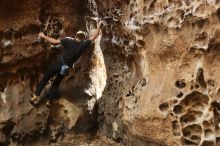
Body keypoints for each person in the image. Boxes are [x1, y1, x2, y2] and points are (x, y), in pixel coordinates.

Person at [30, 22, 102, 106]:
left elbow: (54, 42)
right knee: (56, 83)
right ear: (83, 38)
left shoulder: (68, 40)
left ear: (76, 36)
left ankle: (35, 96)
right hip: (65, 68)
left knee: (45, 78)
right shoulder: (83, 45)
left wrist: (43, 36)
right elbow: (94, 36)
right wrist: (99, 26)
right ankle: (49, 101)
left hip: (57, 63)